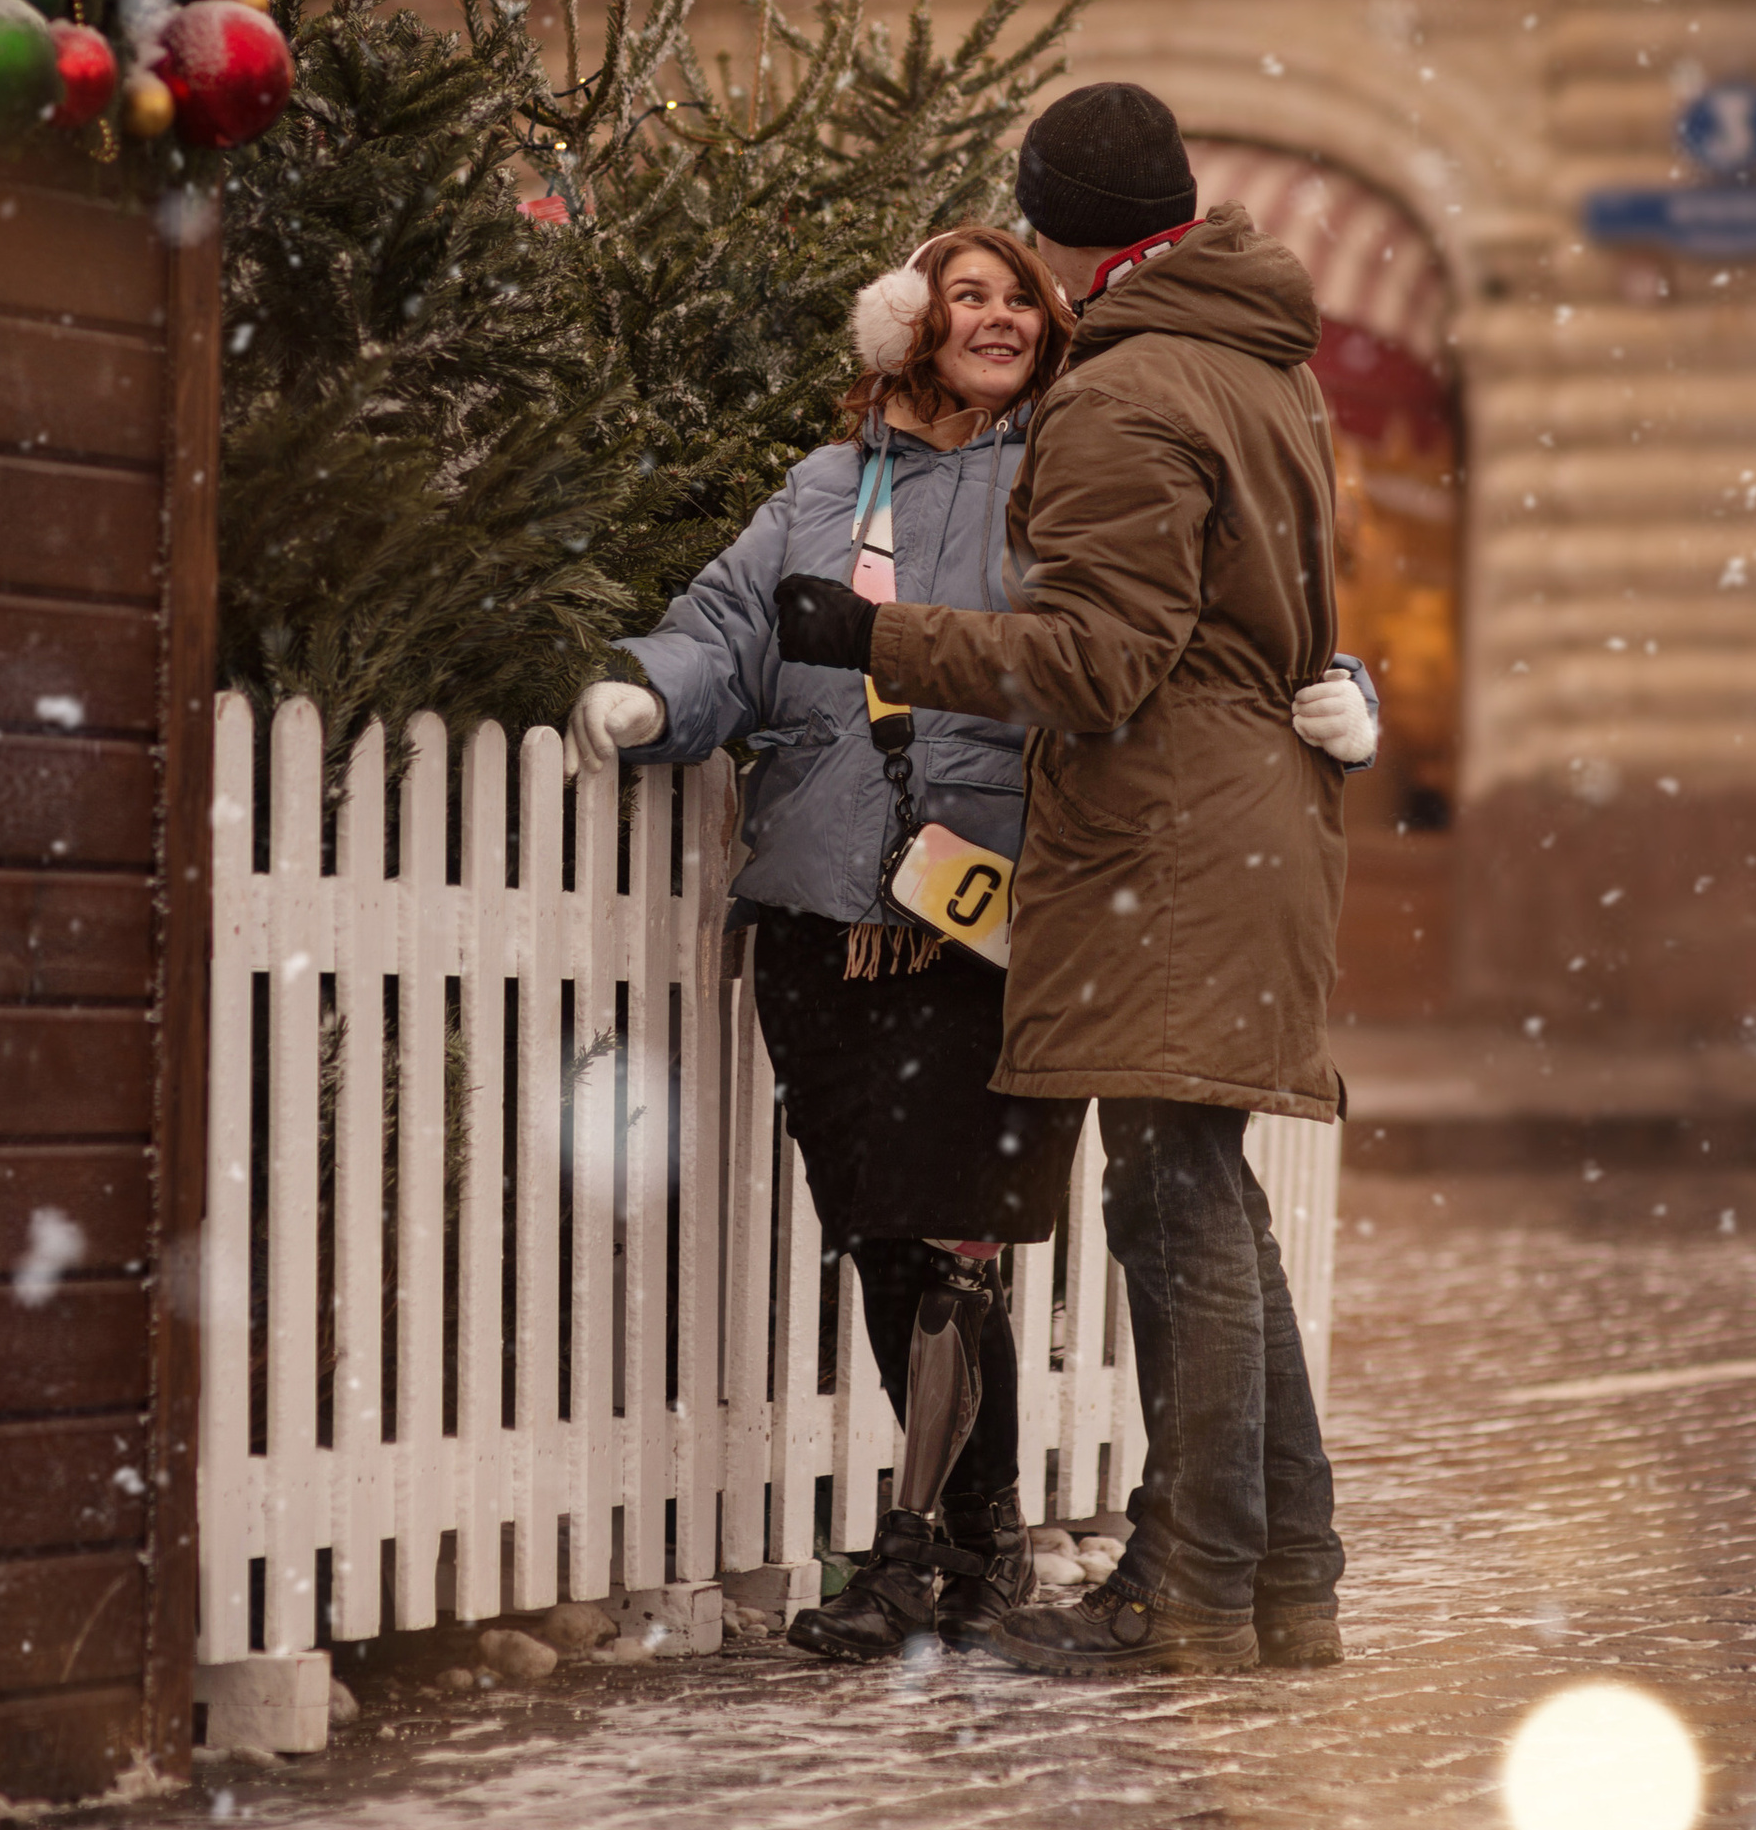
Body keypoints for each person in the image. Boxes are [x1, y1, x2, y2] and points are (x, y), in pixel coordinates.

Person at [775, 83, 1379, 1681]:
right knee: (1213, 1198)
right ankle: (1284, 1577)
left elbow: (1100, 662)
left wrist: (878, 635)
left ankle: (1181, 1589)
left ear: (1055, 231)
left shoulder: (1125, 395)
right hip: (1249, 820)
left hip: (1163, 835)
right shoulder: (1265, 370)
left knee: (1170, 1203)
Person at [566, 227, 1089, 1660]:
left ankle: (916, 1555)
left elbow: (1151, 623)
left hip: (980, 912)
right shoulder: (822, 491)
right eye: (964, 296)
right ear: (908, 328)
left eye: (1017, 298)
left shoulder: (1063, 476)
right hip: (818, 910)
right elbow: (728, 630)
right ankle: (982, 1550)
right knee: (881, 1242)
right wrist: (650, 698)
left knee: (953, 1245)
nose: (995, 317)